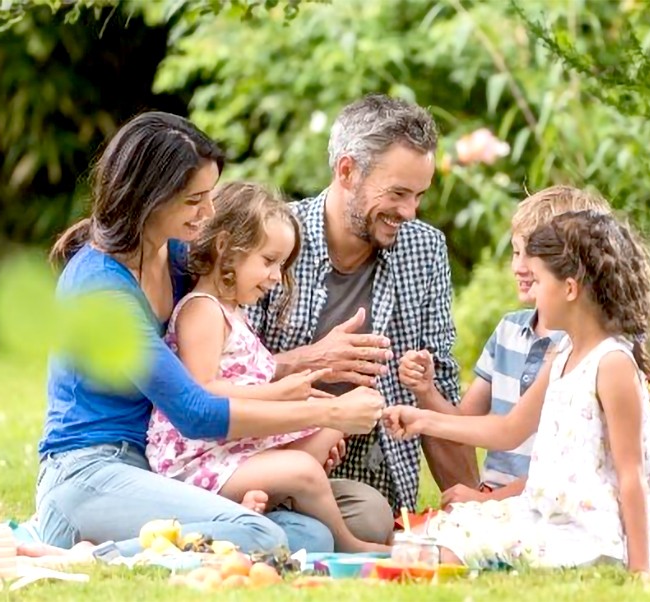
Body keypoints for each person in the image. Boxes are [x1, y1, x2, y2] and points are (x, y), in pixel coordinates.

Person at [36, 111, 384, 556]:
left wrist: (311, 359)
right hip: (88, 473)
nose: (209, 212)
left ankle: (211, 523)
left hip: (155, 469)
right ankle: (84, 556)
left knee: (314, 536)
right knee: (262, 537)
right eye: (195, 200)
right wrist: (326, 414)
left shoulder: (175, 258)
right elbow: (195, 410)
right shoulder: (101, 287)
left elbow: (219, 365)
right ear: (149, 198)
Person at [249, 95, 475, 543]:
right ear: (347, 171)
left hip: (369, 480)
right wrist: (314, 360)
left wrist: (471, 507)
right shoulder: (270, 239)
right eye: (397, 193)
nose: (409, 212)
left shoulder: (424, 250)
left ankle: (271, 529)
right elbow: (219, 375)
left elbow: (441, 394)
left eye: (419, 195)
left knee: (371, 516)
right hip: (265, 459)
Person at [383, 210, 650, 574]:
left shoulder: (611, 364)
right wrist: (422, 419)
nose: (533, 293)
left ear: (570, 288)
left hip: (586, 537)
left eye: (540, 281)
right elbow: (507, 429)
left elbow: (632, 475)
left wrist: (640, 572)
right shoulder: (563, 354)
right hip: (543, 515)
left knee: (433, 556)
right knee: (423, 539)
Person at [146, 181, 389, 553]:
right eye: (269, 261)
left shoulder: (233, 313)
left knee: (331, 426)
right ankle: (348, 543)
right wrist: (278, 393)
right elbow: (201, 391)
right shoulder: (202, 311)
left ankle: (263, 500)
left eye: (281, 265)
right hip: (198, 461)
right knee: (304, 469)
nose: (276, 277)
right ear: (226, 247)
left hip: (233, 449)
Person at [399, 186, 612, 507]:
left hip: (549, 500)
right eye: (516, 252)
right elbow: (465, 424)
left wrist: (488, 501)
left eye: (533, 255)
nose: (520, 267)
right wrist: (426, 391)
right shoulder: (508, 332)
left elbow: (562, 468)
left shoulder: (581, 347)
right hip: (497, 497)